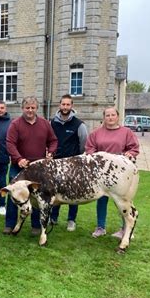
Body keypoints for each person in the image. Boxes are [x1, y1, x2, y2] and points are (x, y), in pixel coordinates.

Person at [4, 96, 58, 236]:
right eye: (27, 108)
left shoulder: (45, 124)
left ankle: (36, 225)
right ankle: (9, 224)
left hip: (38, 168)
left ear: (36, 109)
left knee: (38, 196)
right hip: (19, 166)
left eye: (33, 108)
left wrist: (51, 152)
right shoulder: (15, 124)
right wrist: (18, 158)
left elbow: (53, 141)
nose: (30, 110)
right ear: (22, 108)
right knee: (14, 195)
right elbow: (10, 143)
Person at [85, 107, 139, 238]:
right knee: (101, 200)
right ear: (104, 117)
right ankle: (100, 227)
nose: (110, 118)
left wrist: (129, 153)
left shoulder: (126, 132)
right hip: (101, 174)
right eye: (107, 115)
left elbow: (134, 148)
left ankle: (125, 228)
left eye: (113, 115)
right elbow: (89, 149)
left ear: (118, 116)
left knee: (122, 201)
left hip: (120, 174)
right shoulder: (96, 133)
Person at [49, 94, 88, 231]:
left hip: (73, 165)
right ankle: (53, 217)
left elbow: (83, 144)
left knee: (73, 193)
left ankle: (71, 220)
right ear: (59, 105)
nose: (65, 107)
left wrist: (76, 156)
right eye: (63, 104)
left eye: (68, 104)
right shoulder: (52, 123)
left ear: (72, 106)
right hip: (55, 163)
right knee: (55, 191)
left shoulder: (79, 125)